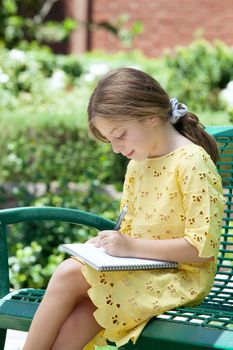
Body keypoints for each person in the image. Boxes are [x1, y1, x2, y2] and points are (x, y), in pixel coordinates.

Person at [23, 67, 225, 350]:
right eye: (110, 140)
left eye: (121, 135)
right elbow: (128, 228)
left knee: (68, 274)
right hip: (140, 269)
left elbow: (202, 250)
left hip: (181, 277)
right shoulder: (137, 164)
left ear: (152, 116)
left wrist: (129, 246)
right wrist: (107, 244)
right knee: (83, 313)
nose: (117, 148)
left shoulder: (192, 163)